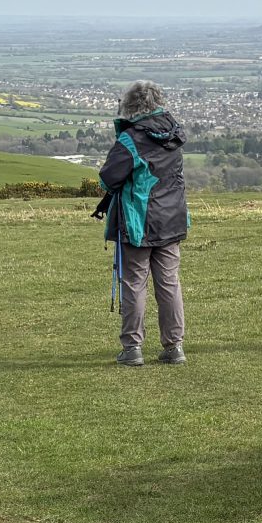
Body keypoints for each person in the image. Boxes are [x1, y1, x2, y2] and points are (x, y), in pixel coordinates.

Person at [97, 80, 190, 366]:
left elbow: (108, 178)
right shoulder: (173, 134)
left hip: (139, 221)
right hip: (172, 219)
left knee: (134, 283)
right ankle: (174, 347)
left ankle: (132, 348)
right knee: (169, 283)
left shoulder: (131, 139)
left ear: (131, 105)